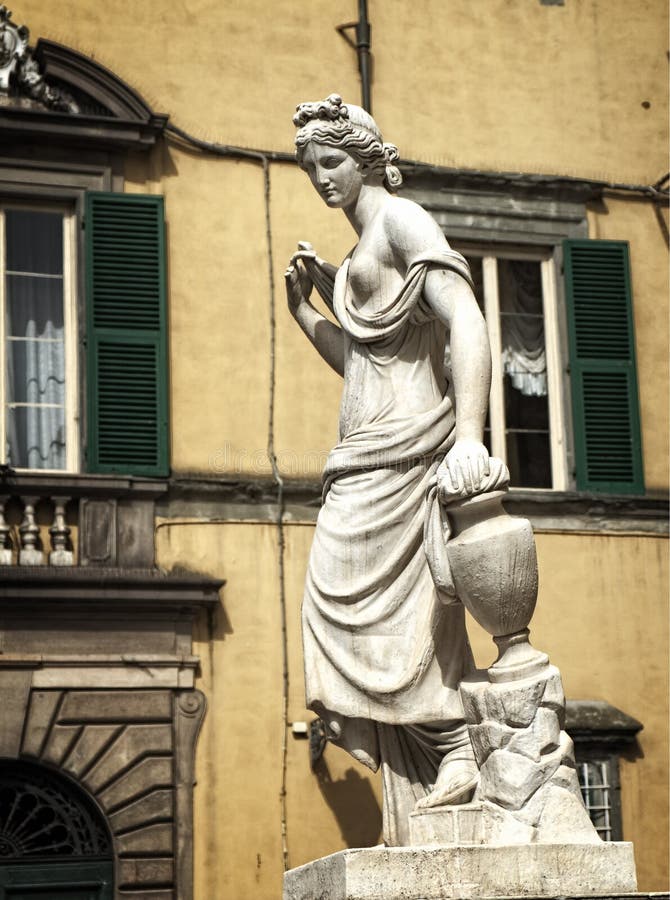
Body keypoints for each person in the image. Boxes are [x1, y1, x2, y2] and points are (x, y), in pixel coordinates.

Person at [285, 94, 498, 846]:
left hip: (413, 447)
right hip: (364, 456)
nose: (321, 178)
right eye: (311, 167)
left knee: (407, 615)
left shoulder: (403, 222)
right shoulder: (357, 249)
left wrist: (469, 436)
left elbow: (466, 318)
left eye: (332, 162)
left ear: (368, 157)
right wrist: (307, 312)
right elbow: (362, 364)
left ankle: (453, 745)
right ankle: (435, 758)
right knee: (335, 604)